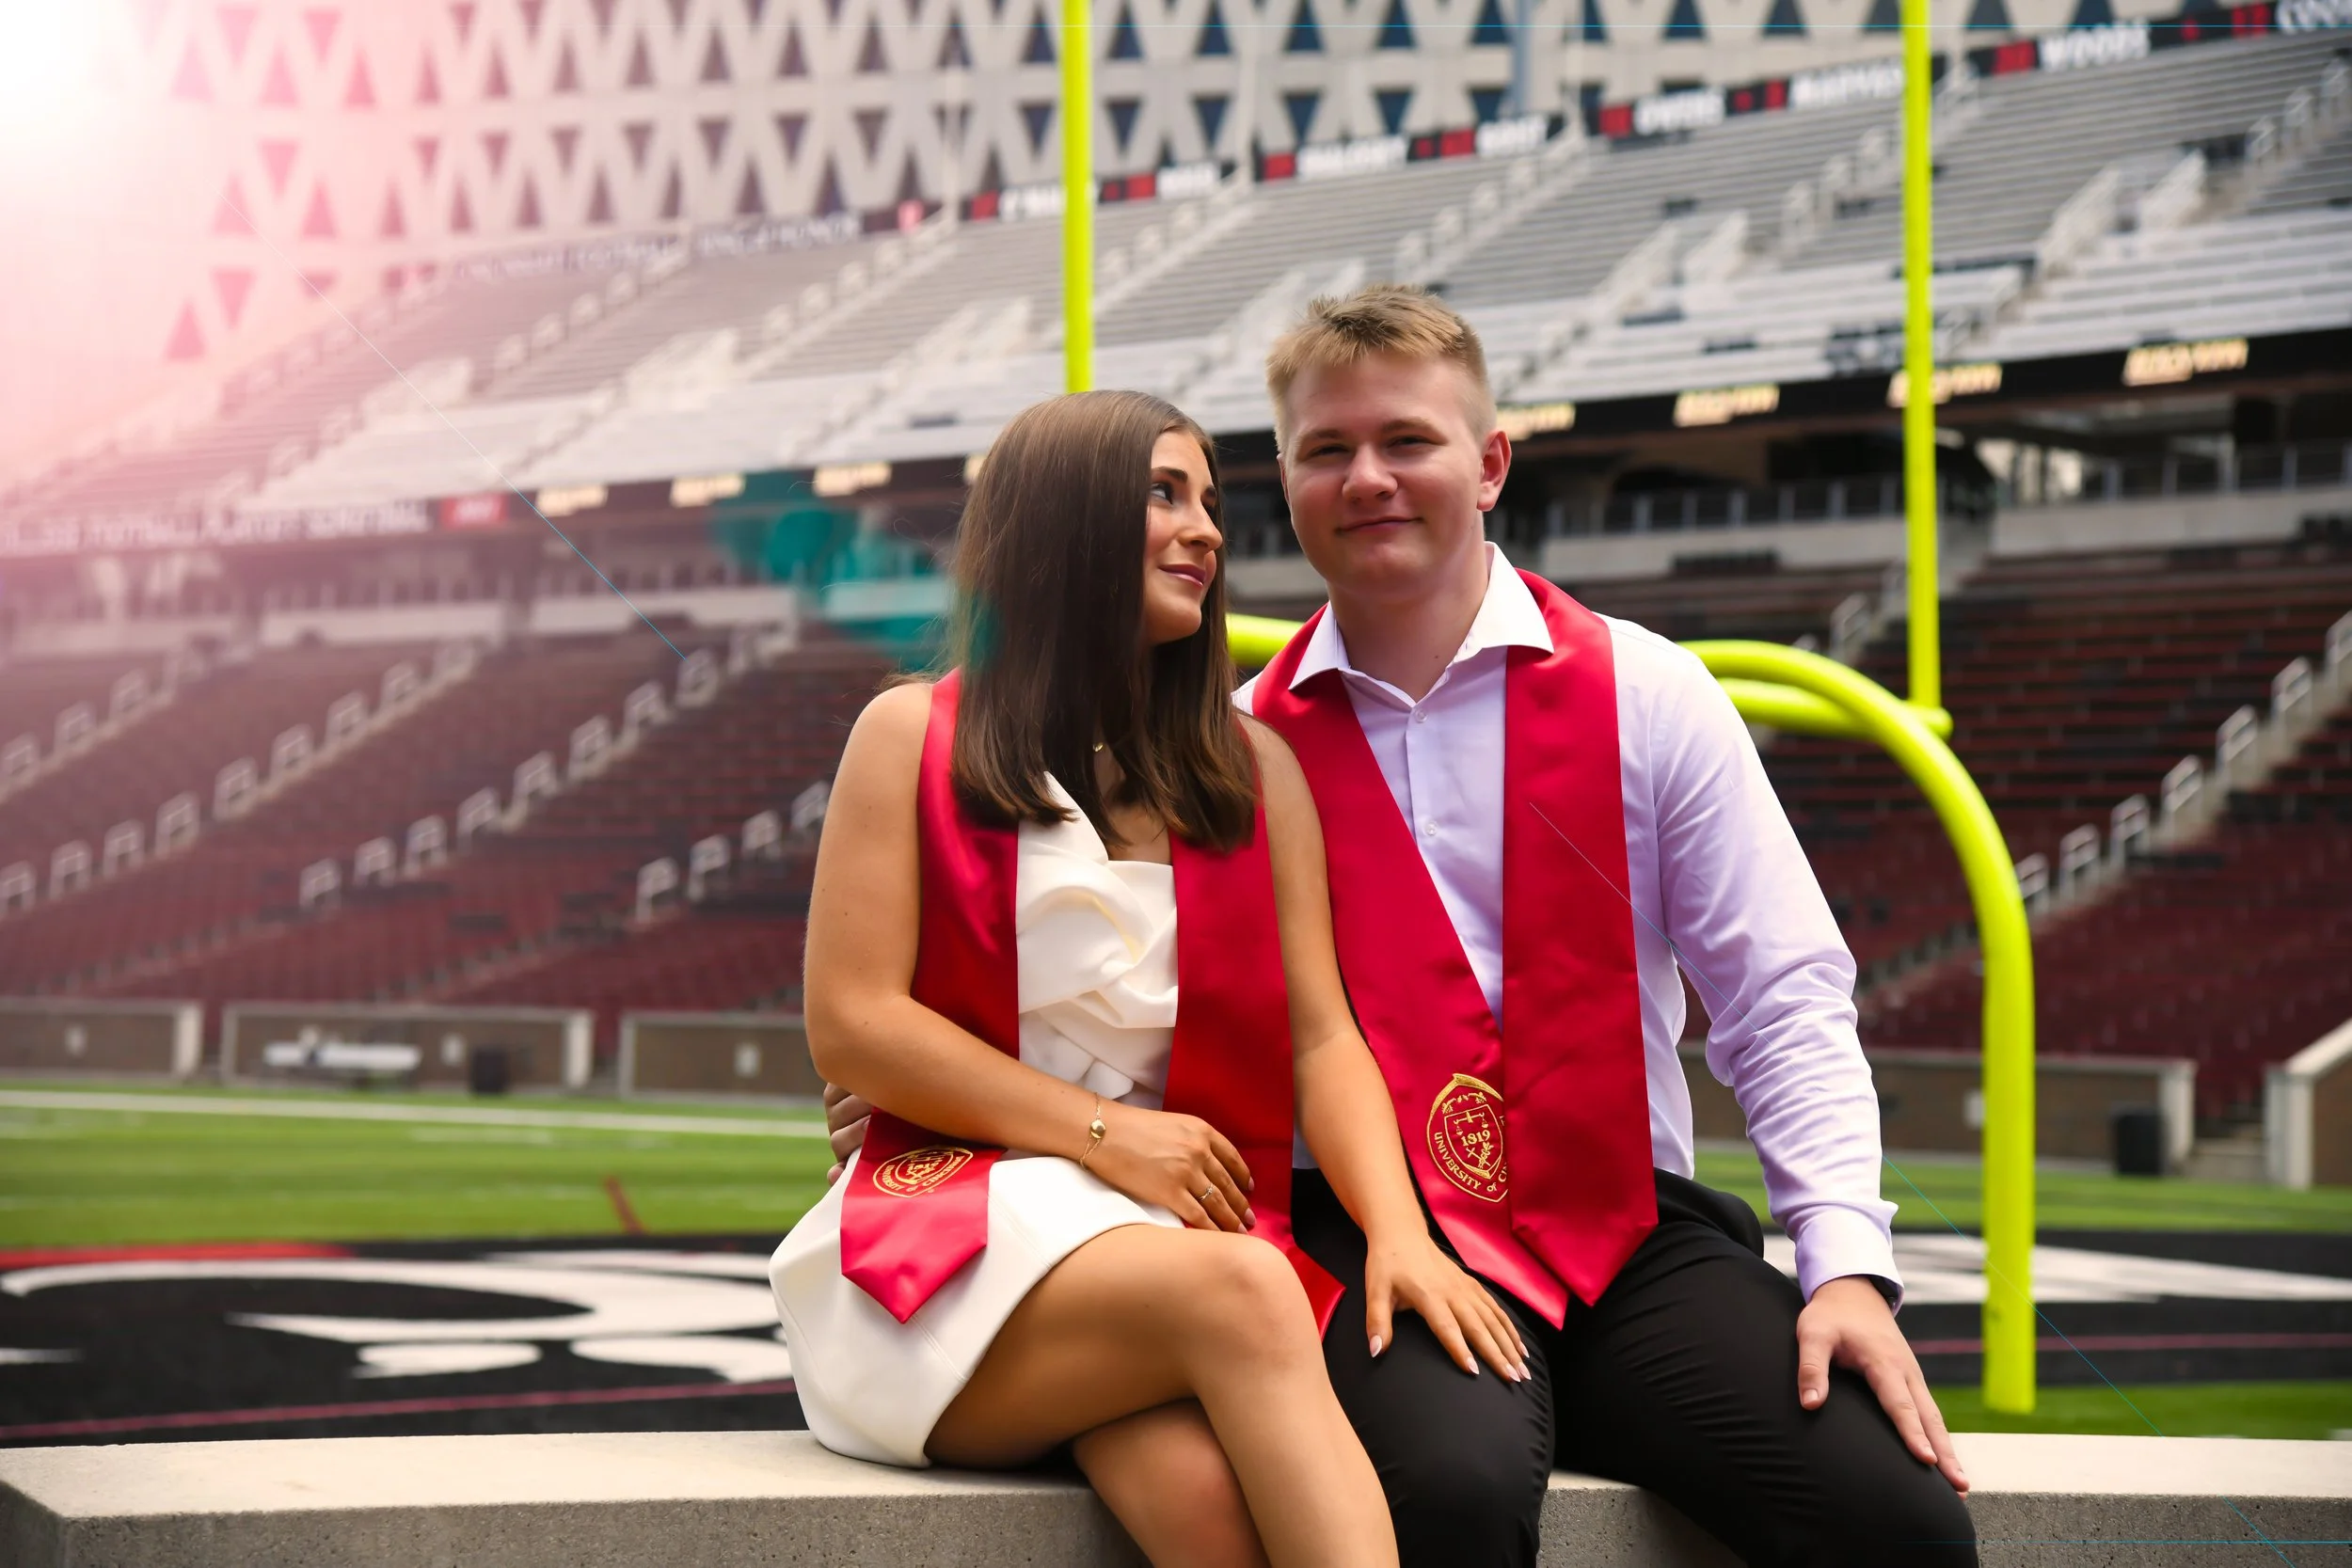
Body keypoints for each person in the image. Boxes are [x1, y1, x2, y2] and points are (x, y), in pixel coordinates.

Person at [831, 290, 1980, 1568]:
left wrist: (1847, 1266)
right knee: (1445, 1494)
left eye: (1408, 442)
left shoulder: (1647, 692)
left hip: (1627, 1225)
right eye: (1328, 451)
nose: (1367, 478)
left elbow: (1783, 1000)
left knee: (1903, 1521)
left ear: (1489, 463)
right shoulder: (1228, 752)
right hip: (1358, 1217)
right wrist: (931, 1109)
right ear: (1293, 482)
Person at [771, 388, 1526, 1568]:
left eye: (1212, 502)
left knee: (1207, 1515)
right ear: (1062, 520)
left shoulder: (1251, 772)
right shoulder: (909, 735)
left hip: (1148, 1260)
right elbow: (854, 1024)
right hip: (948, 1243)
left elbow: (1322, 1039)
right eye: (1164, 493)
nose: (1208, 530)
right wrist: (1109, 1137)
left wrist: (1400, 1231)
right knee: (1246, 1289)